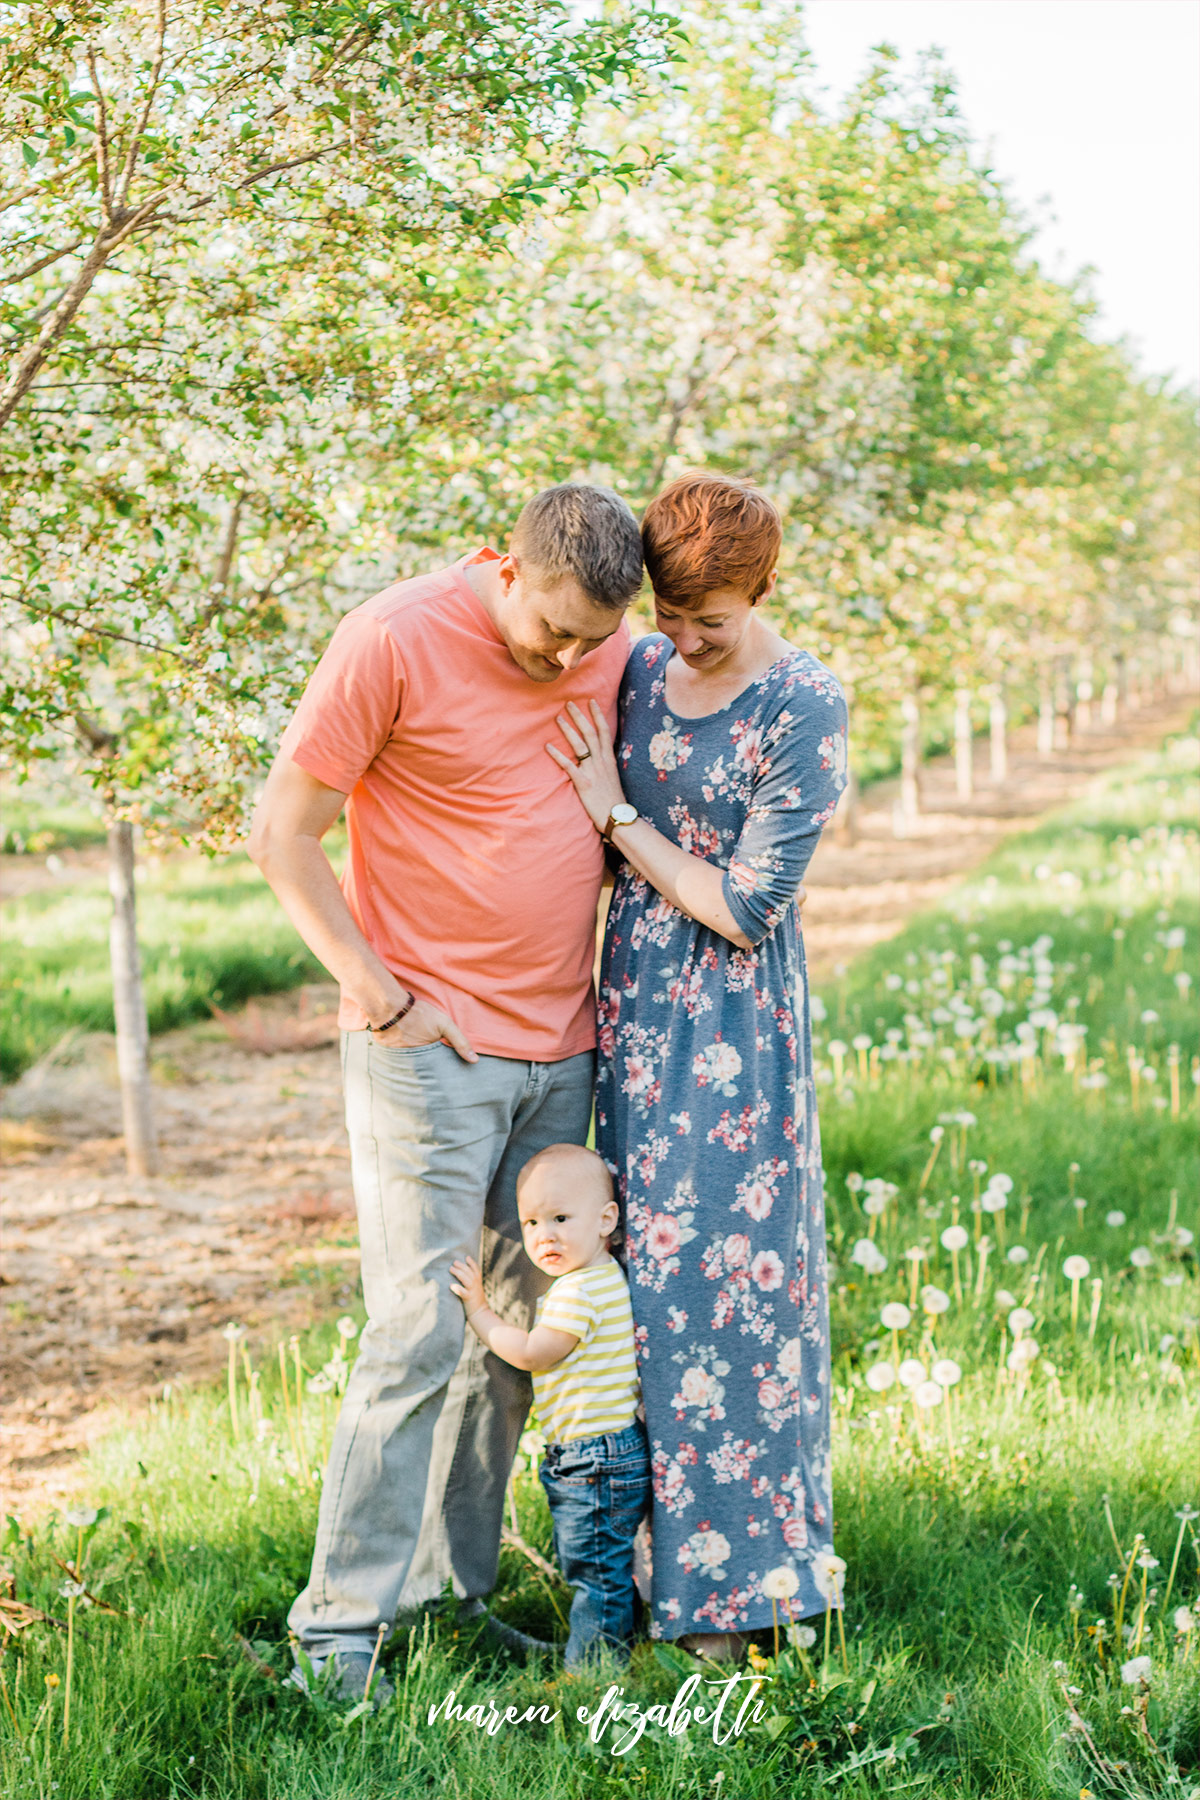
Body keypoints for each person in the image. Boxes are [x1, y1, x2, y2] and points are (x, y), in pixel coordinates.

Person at [247, 484, 644, 1702]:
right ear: (506, 568)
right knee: (417, 1332)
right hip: (431, 1049)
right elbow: (284, 830)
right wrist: (377, 994)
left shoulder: (611, 638)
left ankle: (450, 1595)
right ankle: (337, 1639)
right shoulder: (395, 638)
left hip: (559, 1048)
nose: (573, 658)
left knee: (504, 1345)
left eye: (594, 639)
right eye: (555, 632)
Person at [547, 471, 847, 1659]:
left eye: (708, 620)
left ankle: (747, 1597)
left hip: (732, 1037)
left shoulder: (803, 702)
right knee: (640, 1300)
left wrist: (618, 817)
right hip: (629, 1017)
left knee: (737, 1296)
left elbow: (747, 907)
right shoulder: (634, 669)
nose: (683, 639)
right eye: (668, 614)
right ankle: (626, 1588)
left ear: (762, 588)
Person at [450, 1143, 649, 1668]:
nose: (545, 1236)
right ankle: (621, 1651)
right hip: (608, 1450)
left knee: (596, 1575)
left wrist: (479, 1311)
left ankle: (594, 1674)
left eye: (561, 1217)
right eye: (532, 1222)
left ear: (607, 1218)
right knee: (604, 1565)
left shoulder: (576, 1293)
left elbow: (534, 1353)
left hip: (594, 1458)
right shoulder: (607, 1275)